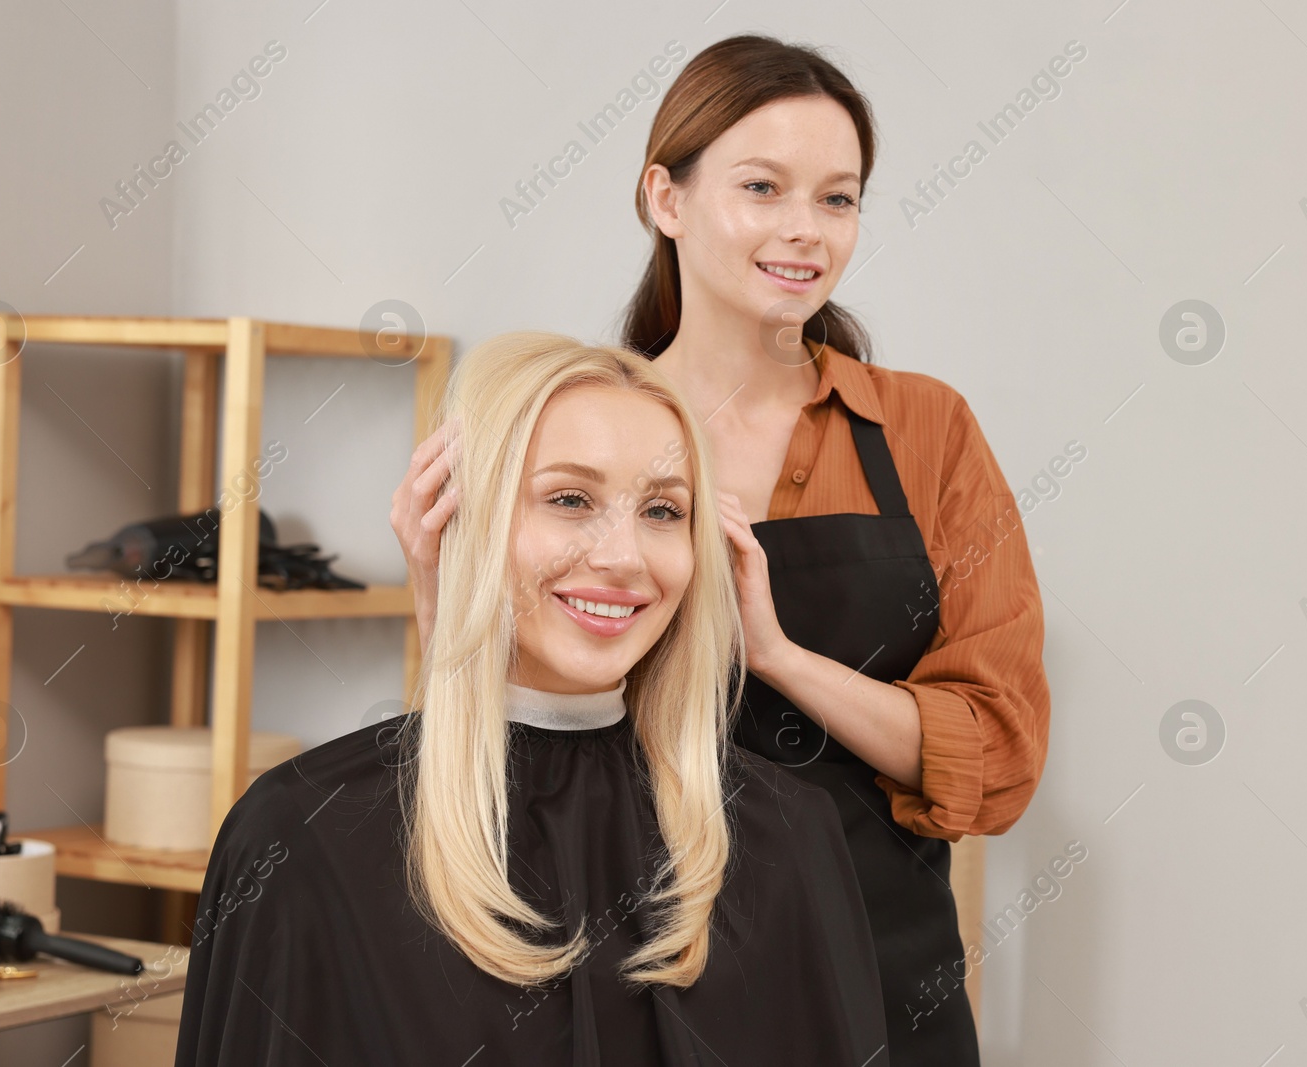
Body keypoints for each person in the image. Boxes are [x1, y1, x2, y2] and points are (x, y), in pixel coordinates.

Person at [394, 36, 1052, 1065]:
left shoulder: (926, 432)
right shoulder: (574, 426)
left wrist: (779, 654)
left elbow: (998, 753)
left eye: (838, 199)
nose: (806, 231)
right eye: (762, 187)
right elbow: (494, 734)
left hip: (877, 970)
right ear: (665, 197)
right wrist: (441, 593)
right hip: (631, 962)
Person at [176, 332, 891, 1066]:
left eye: (663, 510)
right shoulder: (301, 836)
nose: (623, 557)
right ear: (464, 517)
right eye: (570, 498)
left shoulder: (787, 839)